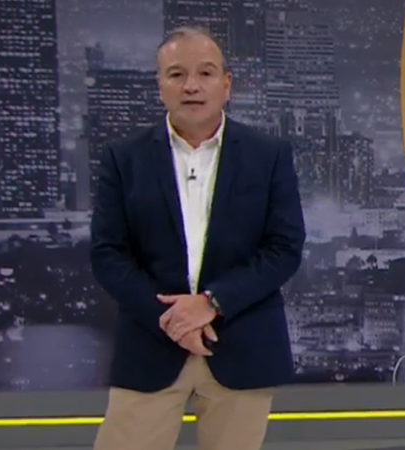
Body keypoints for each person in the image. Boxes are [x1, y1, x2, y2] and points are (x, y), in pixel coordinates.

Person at [90, 25, 306, 450]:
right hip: (150, 346)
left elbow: (283, 248)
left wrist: (211, 303)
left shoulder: (268, 155)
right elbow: (108, 254)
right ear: (160, 86)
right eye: (177, 74)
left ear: (226, 85)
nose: (191, 85)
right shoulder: (124, 158)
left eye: (205, 73)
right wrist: (172, 319)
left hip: (241, 344)